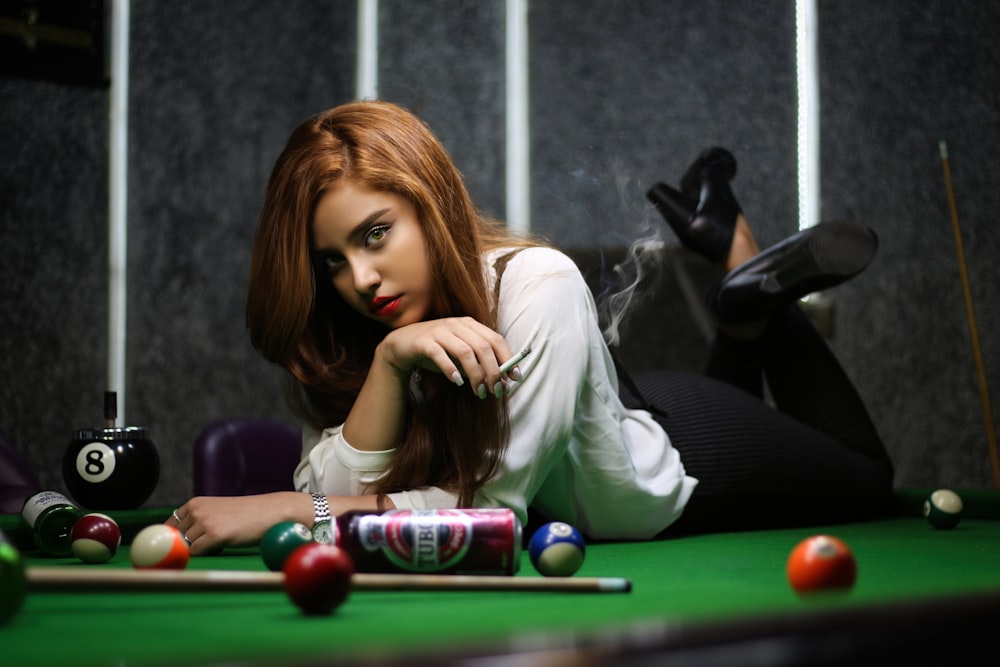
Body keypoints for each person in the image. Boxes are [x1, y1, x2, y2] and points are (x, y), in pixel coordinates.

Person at [169, 100, 893, 555]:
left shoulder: (538, 282)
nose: (360, 278)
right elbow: (328, 477)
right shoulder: (364, 329)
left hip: (675, 456)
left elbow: (490, 516)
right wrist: (391, 361)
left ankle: (752, 294)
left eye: (377, 233)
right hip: (609, 415)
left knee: (867, 478)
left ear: (431, 206)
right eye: (333, 260)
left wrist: (301, 510)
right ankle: (738, 272)